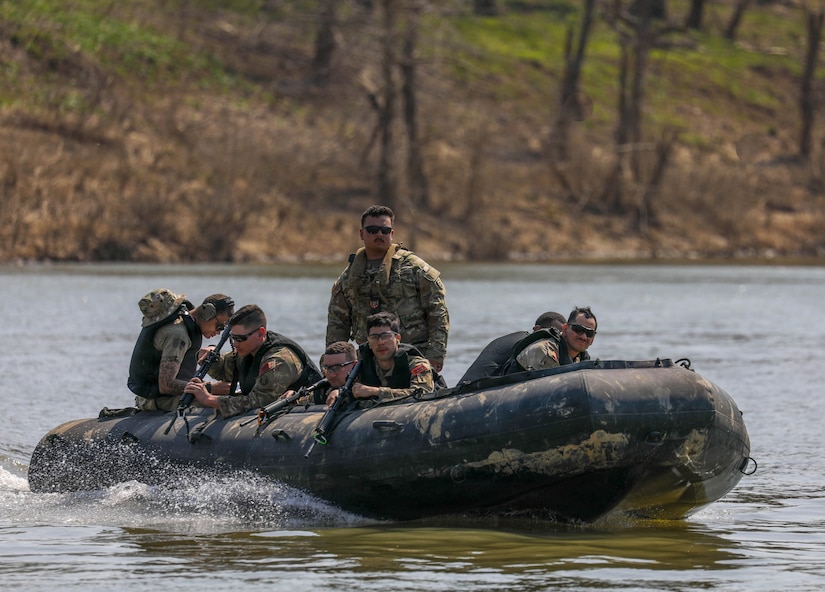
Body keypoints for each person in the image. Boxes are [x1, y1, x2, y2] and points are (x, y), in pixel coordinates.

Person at [326, 204, 450, 372]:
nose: (379, 234)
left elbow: (438, 315)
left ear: (392, 234)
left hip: (413, 356)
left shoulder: (414, 269)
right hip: (369, 359)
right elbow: (337, 325)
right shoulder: (349, 278)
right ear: (362, 233)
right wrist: (334, 365)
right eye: (372, 230)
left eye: (384, 230)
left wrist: (435, 358)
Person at [184, 304, 323, 419]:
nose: (235, 344)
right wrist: (210, 358)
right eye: (233, 338)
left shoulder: (278, 361)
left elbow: (259, 401)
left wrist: (210, 399)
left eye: (240, 338)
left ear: (261, 333)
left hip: (305, 414)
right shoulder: (248, 349)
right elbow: (226, 371)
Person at [128, 289, 235, 412]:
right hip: (156, 400)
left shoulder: (185, 323)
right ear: (207, 313)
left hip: (171, 395)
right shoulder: (178, 335)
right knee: (221, 405)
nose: (219, 332)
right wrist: (211, 388)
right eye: (220, 326)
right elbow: (166, 385)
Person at [327, 312, 437, 406]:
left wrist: (376, 392)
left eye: (385, 336)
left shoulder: (416, 364)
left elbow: (422, 394)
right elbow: (345, 385)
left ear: (397, 338)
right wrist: (337, 392)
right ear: (369, 342)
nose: (380, 342)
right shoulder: (362, 363)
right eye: (374, 338)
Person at [458, 311, 566, 383]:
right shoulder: (526, 345)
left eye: (561, 335)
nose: (556, 339)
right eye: (553, 332)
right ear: (537, 329)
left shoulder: (518, 338)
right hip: (471, 391)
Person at [508, 306, 597, 373]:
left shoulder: (582, 359)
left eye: (589, 333)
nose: (584, 337)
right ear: (565, 329)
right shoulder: (543, 351)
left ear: (593, 339)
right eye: (578, 330)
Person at [287, 341, 358, 407]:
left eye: (337, 367)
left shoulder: (365, 384)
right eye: (327, 368)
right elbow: (306, 400)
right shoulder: (325, 389)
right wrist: (293, 397)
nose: (331, 374)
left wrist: (343, 395)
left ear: (354, 365)